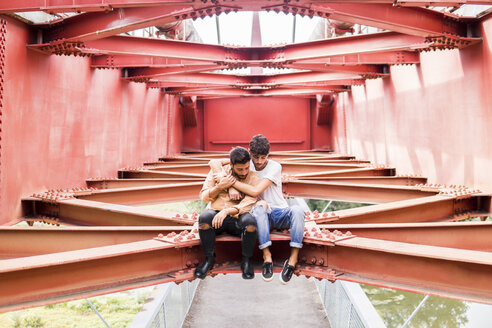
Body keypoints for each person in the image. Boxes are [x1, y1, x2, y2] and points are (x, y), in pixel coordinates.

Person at [209, 135, 305, 284]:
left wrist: (229, 183)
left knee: (298, 210)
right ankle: (267, 258)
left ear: (269, 154)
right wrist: (224, 181)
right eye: (256, 157)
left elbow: (255, 191)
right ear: (249, 152)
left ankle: (292, 261)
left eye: (263, 157)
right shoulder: (247, 164)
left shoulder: (275, 166)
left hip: (279, 211)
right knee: (259, 209)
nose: (259, 162)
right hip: (259, 214)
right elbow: (213, 162)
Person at [194, 146, 260, 280]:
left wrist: (227, 211)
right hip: (216, 217)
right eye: (240, 169)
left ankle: (246, 261)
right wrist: (220, 187)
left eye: (247, 168)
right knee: (204, 218)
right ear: (231, 164)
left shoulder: (254, 178)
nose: (244, 172)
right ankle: (209, 259)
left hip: (238, 216)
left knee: (251, 223)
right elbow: (204, 197)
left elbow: (249, 202)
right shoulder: (218, 173)